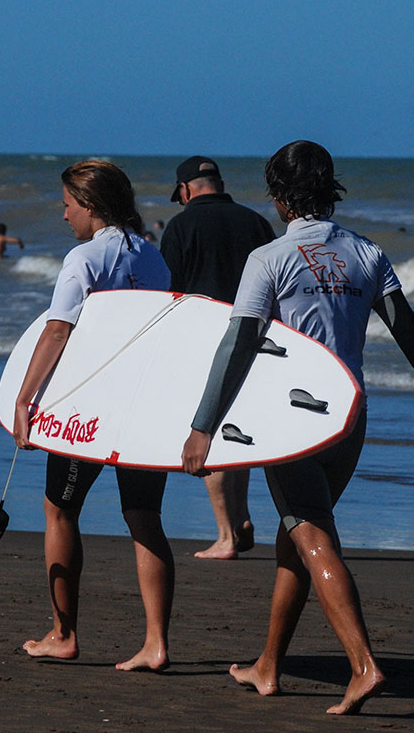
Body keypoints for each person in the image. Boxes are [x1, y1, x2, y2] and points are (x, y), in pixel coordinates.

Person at [180, 141, 414, 715]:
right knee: (298, 536)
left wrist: (203, 425)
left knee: (310, 533)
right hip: (350, 416)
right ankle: (268, 665)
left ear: (279, 198)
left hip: (290, 420)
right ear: (329, 190)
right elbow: (408, 328)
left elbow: (239, 344)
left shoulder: (270, 258)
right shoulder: (366, 252)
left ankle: (363, 666)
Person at [12, 160, 175, 672]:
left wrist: (24, 399)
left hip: (91, 410)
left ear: (89, 206)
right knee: (144, 516)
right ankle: (155, 644)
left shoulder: (83, 258)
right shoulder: (154, 257)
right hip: (144, 406)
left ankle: (63, 634)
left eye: (67, 205)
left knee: (60, 511)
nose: (64, 216)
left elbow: (58, 330)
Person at [159, 156, 275, 560]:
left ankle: (226, 535)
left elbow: (169, 295)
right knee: (237, 428)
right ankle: (241, 519)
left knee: (207, 428)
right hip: (254, 338)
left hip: (202, 341)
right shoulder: (256, 223)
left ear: (186, 190)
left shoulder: (180, 226)